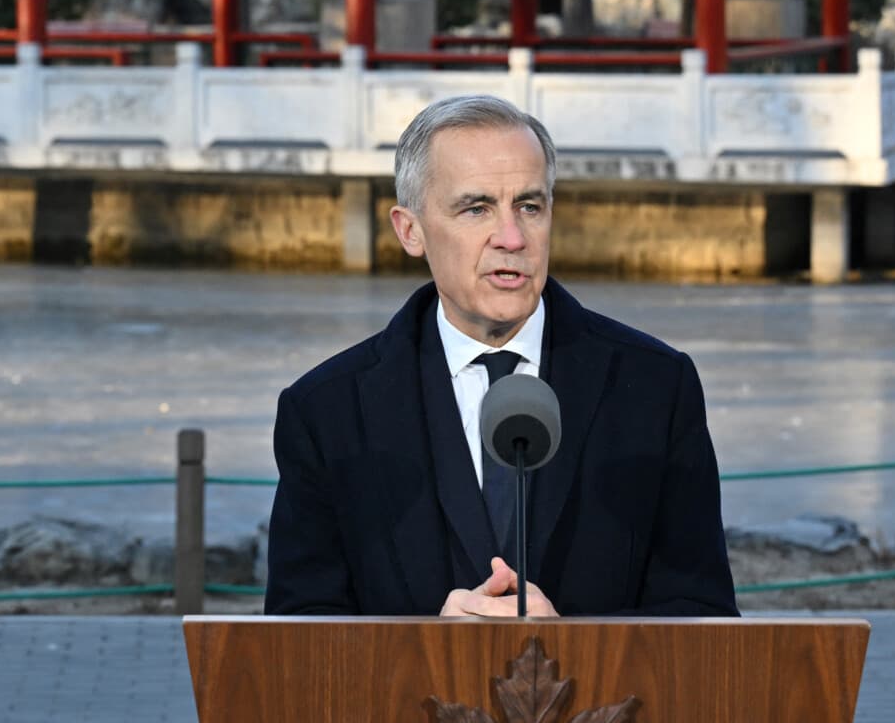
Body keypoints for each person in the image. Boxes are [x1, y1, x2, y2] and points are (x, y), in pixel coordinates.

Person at [265, 94, 738, 617]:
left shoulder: (656, 387)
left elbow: (703, 622)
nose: (511, 238)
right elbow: (300, 644)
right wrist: (428, 651)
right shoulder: (326, 411)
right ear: (410, 230)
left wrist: (573, 649)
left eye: (529, 207)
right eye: (476, 208)